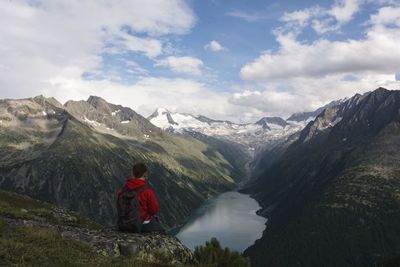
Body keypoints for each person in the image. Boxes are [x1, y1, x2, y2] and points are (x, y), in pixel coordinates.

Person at [116, 162, 165, 233]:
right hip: (141, 224)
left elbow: (118, 206)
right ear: (145, 174)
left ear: (132, 174)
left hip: (123, 224)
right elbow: (154, 209)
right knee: (161, 231)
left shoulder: (122, 190)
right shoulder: (147, 191)